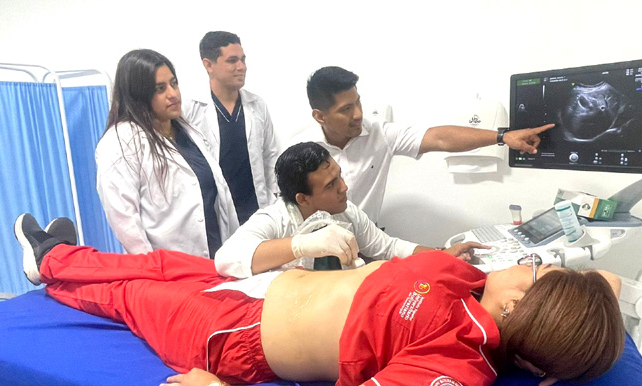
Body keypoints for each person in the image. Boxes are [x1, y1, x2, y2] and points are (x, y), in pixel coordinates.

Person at [14, 212, 624, 386]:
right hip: (264, 289)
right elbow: (609, 283)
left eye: (540, 267)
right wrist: (577, 314)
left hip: (232, 337)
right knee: (164, 264)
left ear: (523, 302)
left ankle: (49, 264)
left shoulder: (456, 369)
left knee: (128, 296)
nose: (529, 259)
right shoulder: (470, 280)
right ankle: (67, 250)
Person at [290, 66, 556, 222]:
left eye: (358, 102)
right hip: (312, 251)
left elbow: (439, 137)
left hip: (364, 246)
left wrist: (502, 137)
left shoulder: (378, 134)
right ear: (320, 116)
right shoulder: (298, 151)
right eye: (346, 109)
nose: (358, 114)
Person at [214, 142, 484, 278]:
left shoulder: (346, 212)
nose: (344, 188)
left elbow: (389, 248)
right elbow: (226, 259)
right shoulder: (275, 219)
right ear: (303, 198)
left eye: (340, 176)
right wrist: (301, 245)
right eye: (331, 185)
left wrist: (442, 257)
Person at [96, 49, 239, 258]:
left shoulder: (188, 132)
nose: (173, 94)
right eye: (160, 89)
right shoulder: (122, 140)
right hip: (169, 270)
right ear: (139, 95)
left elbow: (219, 199)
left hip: (216, 259)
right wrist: (153, 271)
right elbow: (124, 218)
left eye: (174, 83)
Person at [182, 31, 280, 224]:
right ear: (208, 65)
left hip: (256, 209)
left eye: (243, 60)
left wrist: (276, 197)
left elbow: (270, 155)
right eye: (232, 60)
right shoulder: (190, 109)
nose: (241, 67)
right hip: (215, 212)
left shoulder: (257, 105)